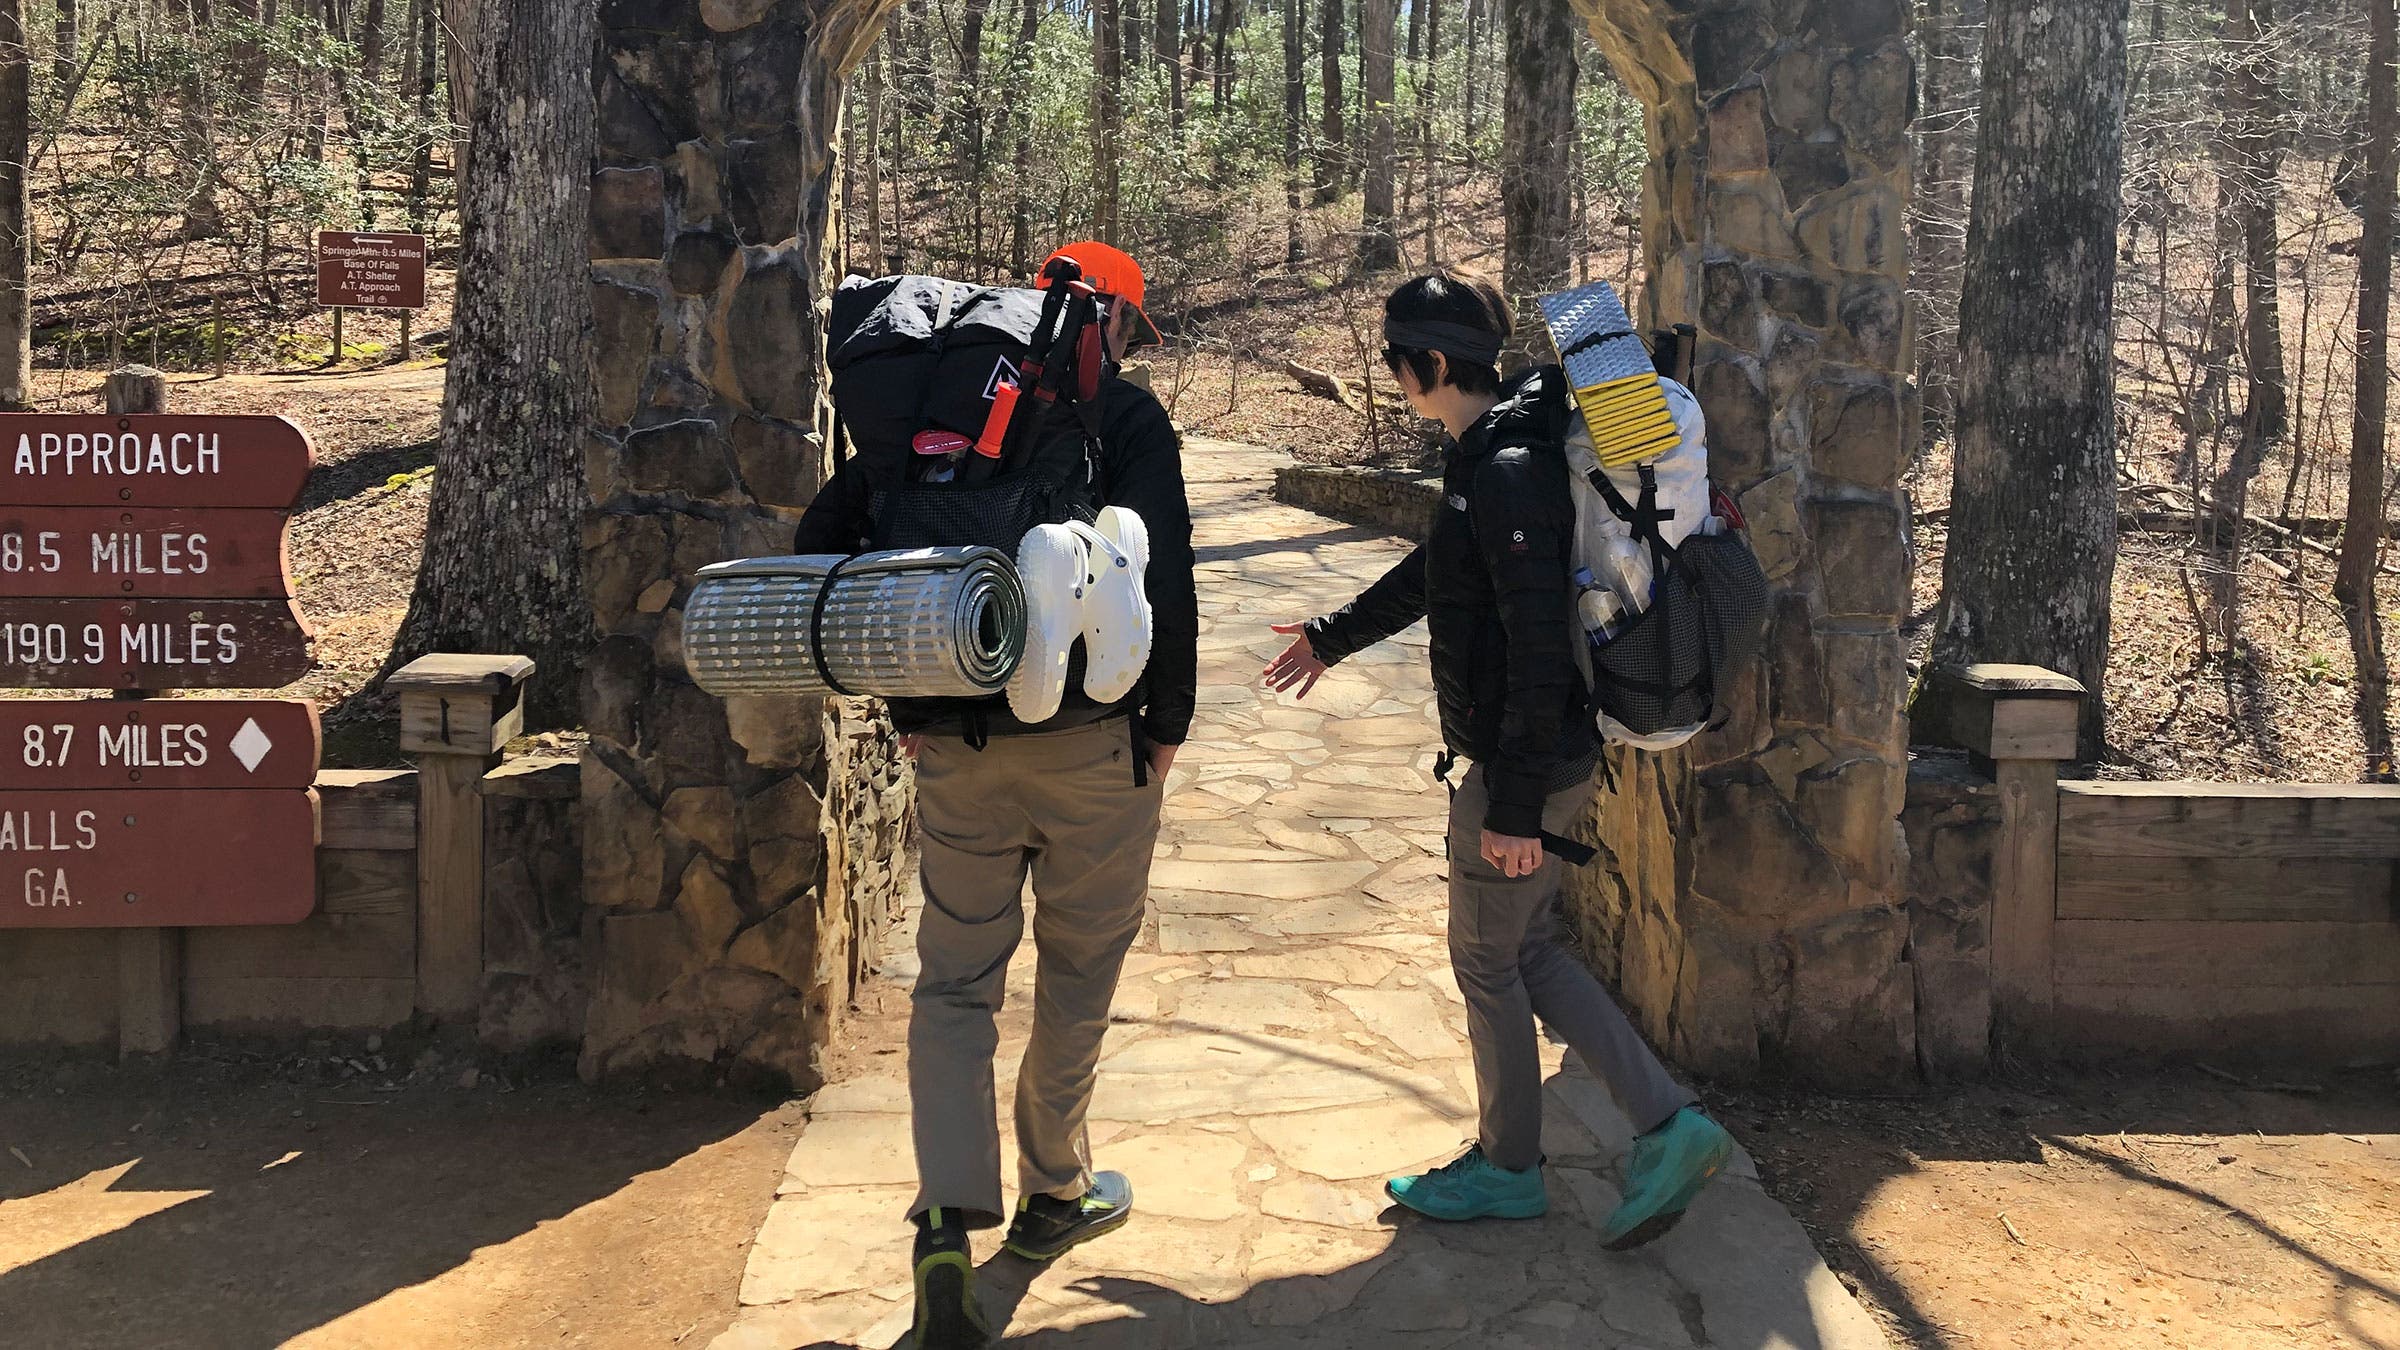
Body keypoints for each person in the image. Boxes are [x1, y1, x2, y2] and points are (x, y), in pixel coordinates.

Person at [1261, 270, 1735, 1248]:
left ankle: (1523, 1164)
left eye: (1400, 368)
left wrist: (1513, 806)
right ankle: (1654, 1127)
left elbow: (1530, 647)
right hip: (1542, 759)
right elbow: (1443, 566)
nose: (1398, 383)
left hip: (1529, 763)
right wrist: (1331, 635)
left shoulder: (1507, 468)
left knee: (1490, 958)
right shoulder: (1499, 452)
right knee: (1523, 952)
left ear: (1430, 365)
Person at [792, 242, 1195, 1350]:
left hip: (959, 743)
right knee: (1078, 970)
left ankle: (942, 1228)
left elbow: (830, 543)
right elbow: (1165, 575)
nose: (1123, 345)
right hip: (1094, 748)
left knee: (956, 979)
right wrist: (1166, 724)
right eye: (1128, 327)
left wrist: (909, 707)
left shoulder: (937, 405)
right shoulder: (1123, 419)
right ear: (1104, 315)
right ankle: (1054, 1193)